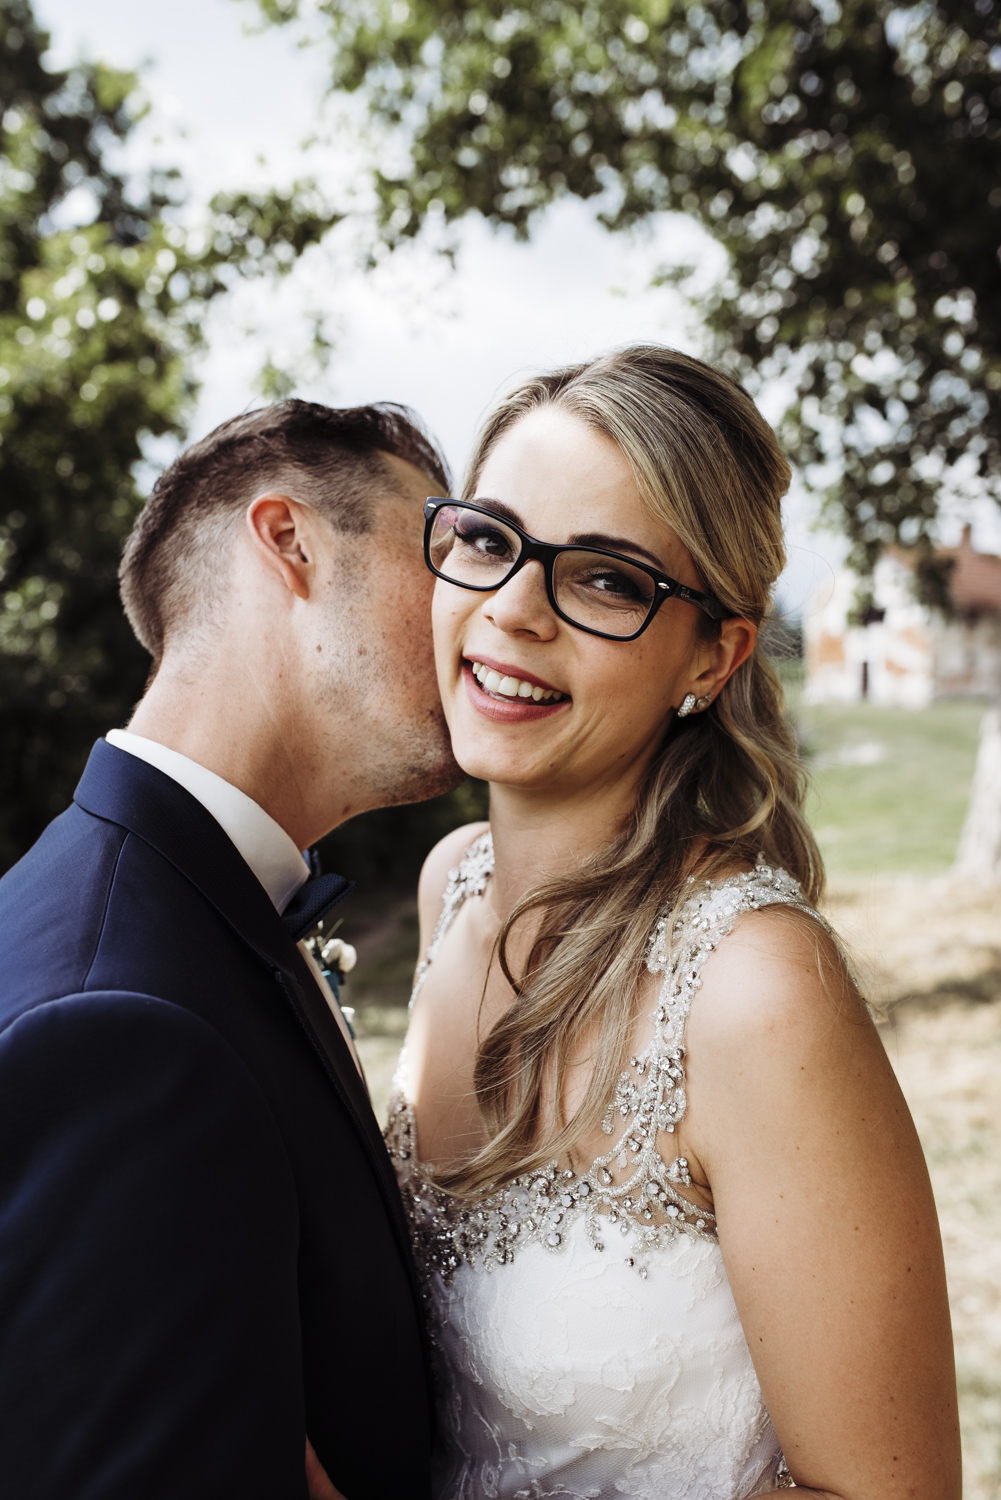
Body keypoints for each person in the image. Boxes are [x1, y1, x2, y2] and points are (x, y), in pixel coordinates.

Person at [387, 347, 961, 1500]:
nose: (512, 610)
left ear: (711, 655)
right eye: (488, 539)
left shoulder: (751, 991)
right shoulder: (450, 884)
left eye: (604, 579)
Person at [0, 400, 460, 1499]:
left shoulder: (184, 906)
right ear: (288, 542)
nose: (475, 620)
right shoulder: (114, 1024)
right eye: (444, 556)